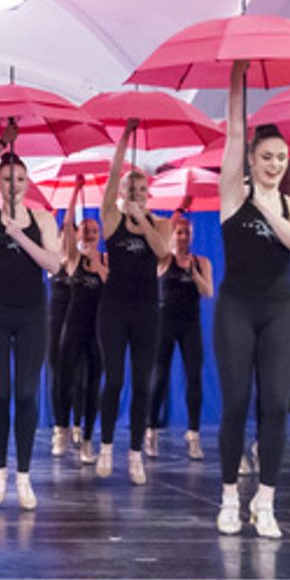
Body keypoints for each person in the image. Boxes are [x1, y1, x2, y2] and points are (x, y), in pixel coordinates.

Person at [215, 61, 290, 538]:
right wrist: (238, 76)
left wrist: (268, 210)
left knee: (275, 404)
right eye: (266, 157)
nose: (274, 165)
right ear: (252, 160)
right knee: (236, 403)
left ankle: (266, 501)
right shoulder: (233, 195)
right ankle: (230, 497)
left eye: (281, 158)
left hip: (280, 311)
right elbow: (235, 133)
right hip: (236, 308)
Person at [0, 121, 61, 510]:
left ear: (27, 182)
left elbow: (54, 265)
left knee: (25, 393)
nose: (13, 185)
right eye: (7, 179)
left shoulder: (42, 219)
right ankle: (0, 471)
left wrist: (19, 234)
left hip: (31, 313)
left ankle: (23, 475)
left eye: (20, 179)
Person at [96, 121, 171, 485]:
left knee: (142, 383)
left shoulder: (161, 224)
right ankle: (106, 446)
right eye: (131, 188)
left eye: (142, 189)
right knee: (114, 379)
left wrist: (143, 219)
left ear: (148, 194)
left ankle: (136, 454)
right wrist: (125, 140)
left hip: (146, 310)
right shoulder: (111, 220)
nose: (137, 193)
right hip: (114, 308)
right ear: (122, 193)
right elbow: (113, 176)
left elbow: (162, 253)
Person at [146, 208, 214, 461]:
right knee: (160, 376)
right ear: (173, 235)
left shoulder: (202, 262)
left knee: (194, 376)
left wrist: (193, 273)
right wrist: (176, 214)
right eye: (179, 232)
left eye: (187, 232)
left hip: (190, 325)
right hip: (165, 323)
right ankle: (151, 431)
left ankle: (193, 435)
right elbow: (160, 237)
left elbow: (208, 292)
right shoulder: (164, 260)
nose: (183, 236)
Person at [58, 181, 107, 465]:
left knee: (92, 383)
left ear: (99, 236)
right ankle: (63, 429)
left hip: (97, 330)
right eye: (85, 230)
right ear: (78, 234)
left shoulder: (106, 260)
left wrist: (97, 264)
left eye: (93, 231)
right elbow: (66, 224)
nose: (89, 235)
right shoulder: (72, 258)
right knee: (65, 378)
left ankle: (87, 440)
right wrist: (75, 193)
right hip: (73, 326)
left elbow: (113, 288)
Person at [49, 177, 82, 457]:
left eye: (68, 235)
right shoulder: (51, 261)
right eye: (61, 235)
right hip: (54, 323)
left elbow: (70, 226)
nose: (65, 238)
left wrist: (75, 193)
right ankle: (60, 430)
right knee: (58, 377)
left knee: (79, 377)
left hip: (77, 323)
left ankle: (78, 424)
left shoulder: (76, 261)